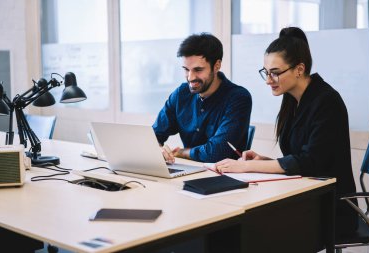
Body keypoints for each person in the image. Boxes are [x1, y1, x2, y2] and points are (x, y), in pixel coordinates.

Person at [215, 27, 358, 235]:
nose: (268, 80)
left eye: (275, 73)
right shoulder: (292, 100)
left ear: (299, 69)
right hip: (307, 196)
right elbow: (297, 156)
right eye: (266, 72)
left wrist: (247, 167)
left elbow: (310, 162)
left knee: (255, 229)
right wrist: (262, 160)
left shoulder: (326, 101)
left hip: (331, 206)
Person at [153, 33, 252, 163]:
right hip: (188, 171)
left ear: (217, 66)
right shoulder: (181, 93)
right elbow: (153, 136)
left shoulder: (238, 98)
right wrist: (158, 149)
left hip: (223, 176)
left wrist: (183, 152)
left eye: (198, 70)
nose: (190, 77)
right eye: (186, 70)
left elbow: (217, 153)